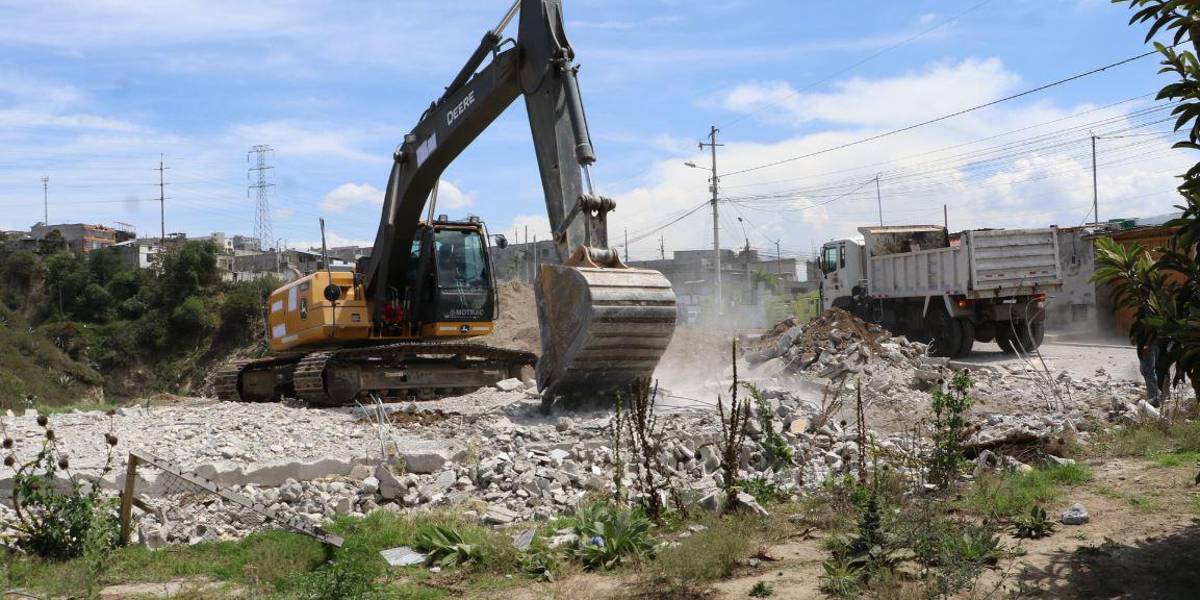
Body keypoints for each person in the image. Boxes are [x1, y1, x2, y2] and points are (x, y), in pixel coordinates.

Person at [1137, 339, 1161, 407]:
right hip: (1148, 346)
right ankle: (1155, 396)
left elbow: (1151, 333)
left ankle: (1154, 398)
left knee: (1149, 372)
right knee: (1147, 371)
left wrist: (1148, 346)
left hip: (1148, 346)